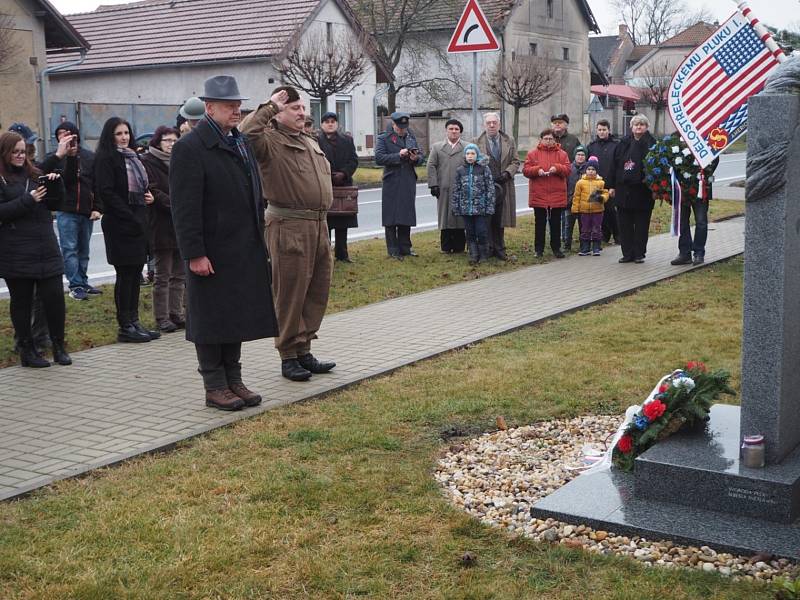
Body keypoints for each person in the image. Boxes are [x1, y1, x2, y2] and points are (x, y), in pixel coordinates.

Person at [171, 75, 279, 410]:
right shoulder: (190, 148)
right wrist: (195, 254)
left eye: (237, 104)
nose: (236, 111)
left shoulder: (239, 141)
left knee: (235, 316)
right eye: (228, 105)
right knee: (210, 319)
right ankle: (214, 385)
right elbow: (184, 208)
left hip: (241, 246)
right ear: (209, 107)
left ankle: (234, 380)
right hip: (211, 250)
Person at [240, 85, 336, 382]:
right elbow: (245, 134)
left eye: (303, 108)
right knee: (290, 293)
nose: (302, 113)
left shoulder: (307, 140)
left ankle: (304, 349)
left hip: (318, 225)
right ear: (279, 113)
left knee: (315, 292)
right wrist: (268, 106)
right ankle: (288, 354)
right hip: (288, 225)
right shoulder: (268, 140)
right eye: (294, 108)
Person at [0, 131, 71, 367]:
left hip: (46, 247)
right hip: (16, 251)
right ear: (5, 153)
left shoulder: (35, 174)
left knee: (54, 299)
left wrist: (56, 185)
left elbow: (55, 203)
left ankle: (59, 346)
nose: (21, 156)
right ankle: (27, 351)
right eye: (16, 152)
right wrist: (28, 200)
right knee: (21, 303)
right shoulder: (1, 178)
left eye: (23, 152)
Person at [94, 116, 161, 342]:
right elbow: (107, 192)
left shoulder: (133, 157)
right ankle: (125, 326)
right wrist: (129, 216)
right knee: (124, 275)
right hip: (119, 224)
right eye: (119, 134)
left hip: (137, 221)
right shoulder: (106, 158)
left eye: (126, 133)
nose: (124, 138)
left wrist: (147, 196)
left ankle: (134, 322)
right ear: (110, 136)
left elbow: (140, 186)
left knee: (135, 275)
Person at [40, 122, 101, 301]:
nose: (64, 137)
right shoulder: (55, 158)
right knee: (69, 249)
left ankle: (83, 281)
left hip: (86, 210)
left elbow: (96, 183)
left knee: (84, 249)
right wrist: (68, 157)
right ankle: (75, 285)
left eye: (67, 133)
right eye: (60, 134)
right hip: (66, 209)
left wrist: (98, 207)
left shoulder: (90, 157)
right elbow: (65, 181)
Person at [140, 125, 185, 333]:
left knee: (179, 273)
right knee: (162, 274)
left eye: (175, 140)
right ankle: (162, 316)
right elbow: (153, 190)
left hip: (180, 224)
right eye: (167, 140)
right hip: (161, 223)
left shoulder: (180, 160)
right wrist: (176, 204)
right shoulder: (148, 162)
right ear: (158, 141)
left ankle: (176, 312)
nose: (171, 144)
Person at [608, 115, 657, 264]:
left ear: (646, 127)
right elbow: (614, 165)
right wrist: (611, 186)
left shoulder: (651, 143)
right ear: (631, 127)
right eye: (636, 124)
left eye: (642, 124)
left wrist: (656, 188)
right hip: (624, 190)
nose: (639, 127)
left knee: (641, 224)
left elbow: (656, 168)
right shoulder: (623, 143)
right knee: (624, 224)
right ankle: (627, 253)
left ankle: (639, 253)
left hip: (643, 190)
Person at [375, 111, 424, 259]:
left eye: (404, 127)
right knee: (391, 216)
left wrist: (416, 158)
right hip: (392, 180)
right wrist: (398, 155)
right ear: (394, 124)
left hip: (408, 179)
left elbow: (422, 158)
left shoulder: (411, 136)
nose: (402, 130)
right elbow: (379, 158)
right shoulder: (384, 138)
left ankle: (405, 247)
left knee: (406, 214)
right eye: (399, 127)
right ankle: (393, 249)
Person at [473, 112, 519, 260]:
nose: (492, 125)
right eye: (489, 123)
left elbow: (515, 161)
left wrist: (507, 173)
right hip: (484, 187)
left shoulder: (509, 140)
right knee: (486, 218)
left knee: (501, 218)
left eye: (494, 123)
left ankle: (500, 249)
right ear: (484, 125)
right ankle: (487, 248)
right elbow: (471, 163)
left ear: (499, 124)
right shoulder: (476, 142)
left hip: (503, 185)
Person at [522, 128, 570, 258]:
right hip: (539, 193)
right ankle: (539, 249)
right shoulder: (533, 154)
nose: (548, 141)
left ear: (555, 140)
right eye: (546, 139)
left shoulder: (562, 154)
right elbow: (526, 170)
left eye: (551, 139)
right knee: (540, 223)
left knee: (556, 223)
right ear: (541, 139)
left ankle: (556, 248)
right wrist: (537, 170)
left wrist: (557, 168)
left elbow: (567, 170)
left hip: (556, 194)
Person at [317, 111, 358, 263]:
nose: (330, 124)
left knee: (343, 221)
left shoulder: (347, 140)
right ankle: (324, 256)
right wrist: (328, 175)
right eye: (327, 121)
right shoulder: (315, 140)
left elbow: (354, 160)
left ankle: (342, 254)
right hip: (324, 185)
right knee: (325, 223)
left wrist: (344, 173)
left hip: (343, 185)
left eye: (333, 121)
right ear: (322, 124)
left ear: (337, 124)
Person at [451, 143, 495, 265]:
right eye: (468, 154)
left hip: (480, 208)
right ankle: (473, 254)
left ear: (477, 155)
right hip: (466, 209)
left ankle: (483, 254)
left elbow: (490, 189)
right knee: (469, 232)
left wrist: (489, 206)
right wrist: (456, 206)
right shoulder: (460, 170)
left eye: (473, 154)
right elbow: (456, 190)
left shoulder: (484, 169)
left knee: (481, 231)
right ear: (465, 155)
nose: (470, 156)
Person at [670, 157, 719, 266]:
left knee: (701, 222)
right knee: (682, 221)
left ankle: (699, 253)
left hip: (700, 186)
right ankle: (684, 253)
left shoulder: (706, 140)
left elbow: (714, 157)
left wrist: (704, 172)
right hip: (682, 186)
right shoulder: (679, 139)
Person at [427, 118, 466, 254]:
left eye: (456, 129)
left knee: (460, 217)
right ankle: (446, 246)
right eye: (451, 129)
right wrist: (433, 184)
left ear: (460, 132)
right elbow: (431, 165)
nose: (454, 131)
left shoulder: (466, 147)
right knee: (445, 217)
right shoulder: (437, 147)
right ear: (446, 131)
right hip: (443, 188)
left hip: (462, 188)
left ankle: (459, 246)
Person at [586, 119, 619, 245]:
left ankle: (618, 235)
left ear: (609, 130)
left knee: (612, 212)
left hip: (611, 185)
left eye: (604, 130)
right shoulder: (592, 146)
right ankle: (604, 235)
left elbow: (618, 165)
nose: (602, 132)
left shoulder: (616, 145)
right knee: (600, 210)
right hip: (596, 184)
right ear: (596, 130)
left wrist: (615, 186)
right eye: (599, 130)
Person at [571, 156, 608, 256]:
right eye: (589, 169)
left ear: (597, 171)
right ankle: (585, 248)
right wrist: (575, 208)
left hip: (598, 211)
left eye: (593, 169)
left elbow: (606, 193)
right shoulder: (580, 183)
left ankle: (596, 247)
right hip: (584, 211)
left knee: (596, 228)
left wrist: (603, 198)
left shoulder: (601, 182)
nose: (591, 171)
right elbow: (576, 196)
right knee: (585, 229)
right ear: (585, 170)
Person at [564, 145, 587, 251]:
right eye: (578, 155)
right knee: (568, 225)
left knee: (583, 225)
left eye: (582, 155)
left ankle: (584, 244)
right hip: (570, 202)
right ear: (574, 156)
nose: (580, 157)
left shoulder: (589, 169)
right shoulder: (569, 168)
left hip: (584, 203)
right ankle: (567, 244)